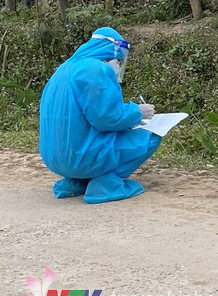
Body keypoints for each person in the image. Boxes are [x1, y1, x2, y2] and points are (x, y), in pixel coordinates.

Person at [38, 27, 160, 204]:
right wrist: (138, 112)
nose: (118, 64)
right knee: (152, 136)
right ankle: (104, 185)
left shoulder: (63, 69)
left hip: (54, 159)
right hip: (81, 158)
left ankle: (74, 183)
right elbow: (108, 118)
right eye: (118, 60)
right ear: (109, 53)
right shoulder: (96, 69)